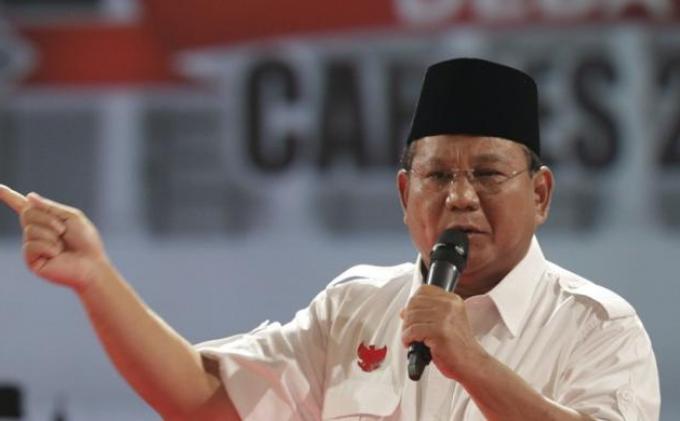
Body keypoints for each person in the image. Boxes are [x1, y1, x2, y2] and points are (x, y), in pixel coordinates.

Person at [0, 58, 660, 420]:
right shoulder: (355, 309)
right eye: (438, 176)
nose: (460, 196)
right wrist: (96, 279)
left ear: (540, 193)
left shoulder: (598, 328)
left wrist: (470, 361)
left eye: (487, 174)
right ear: (404, 195)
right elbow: (202, 396)